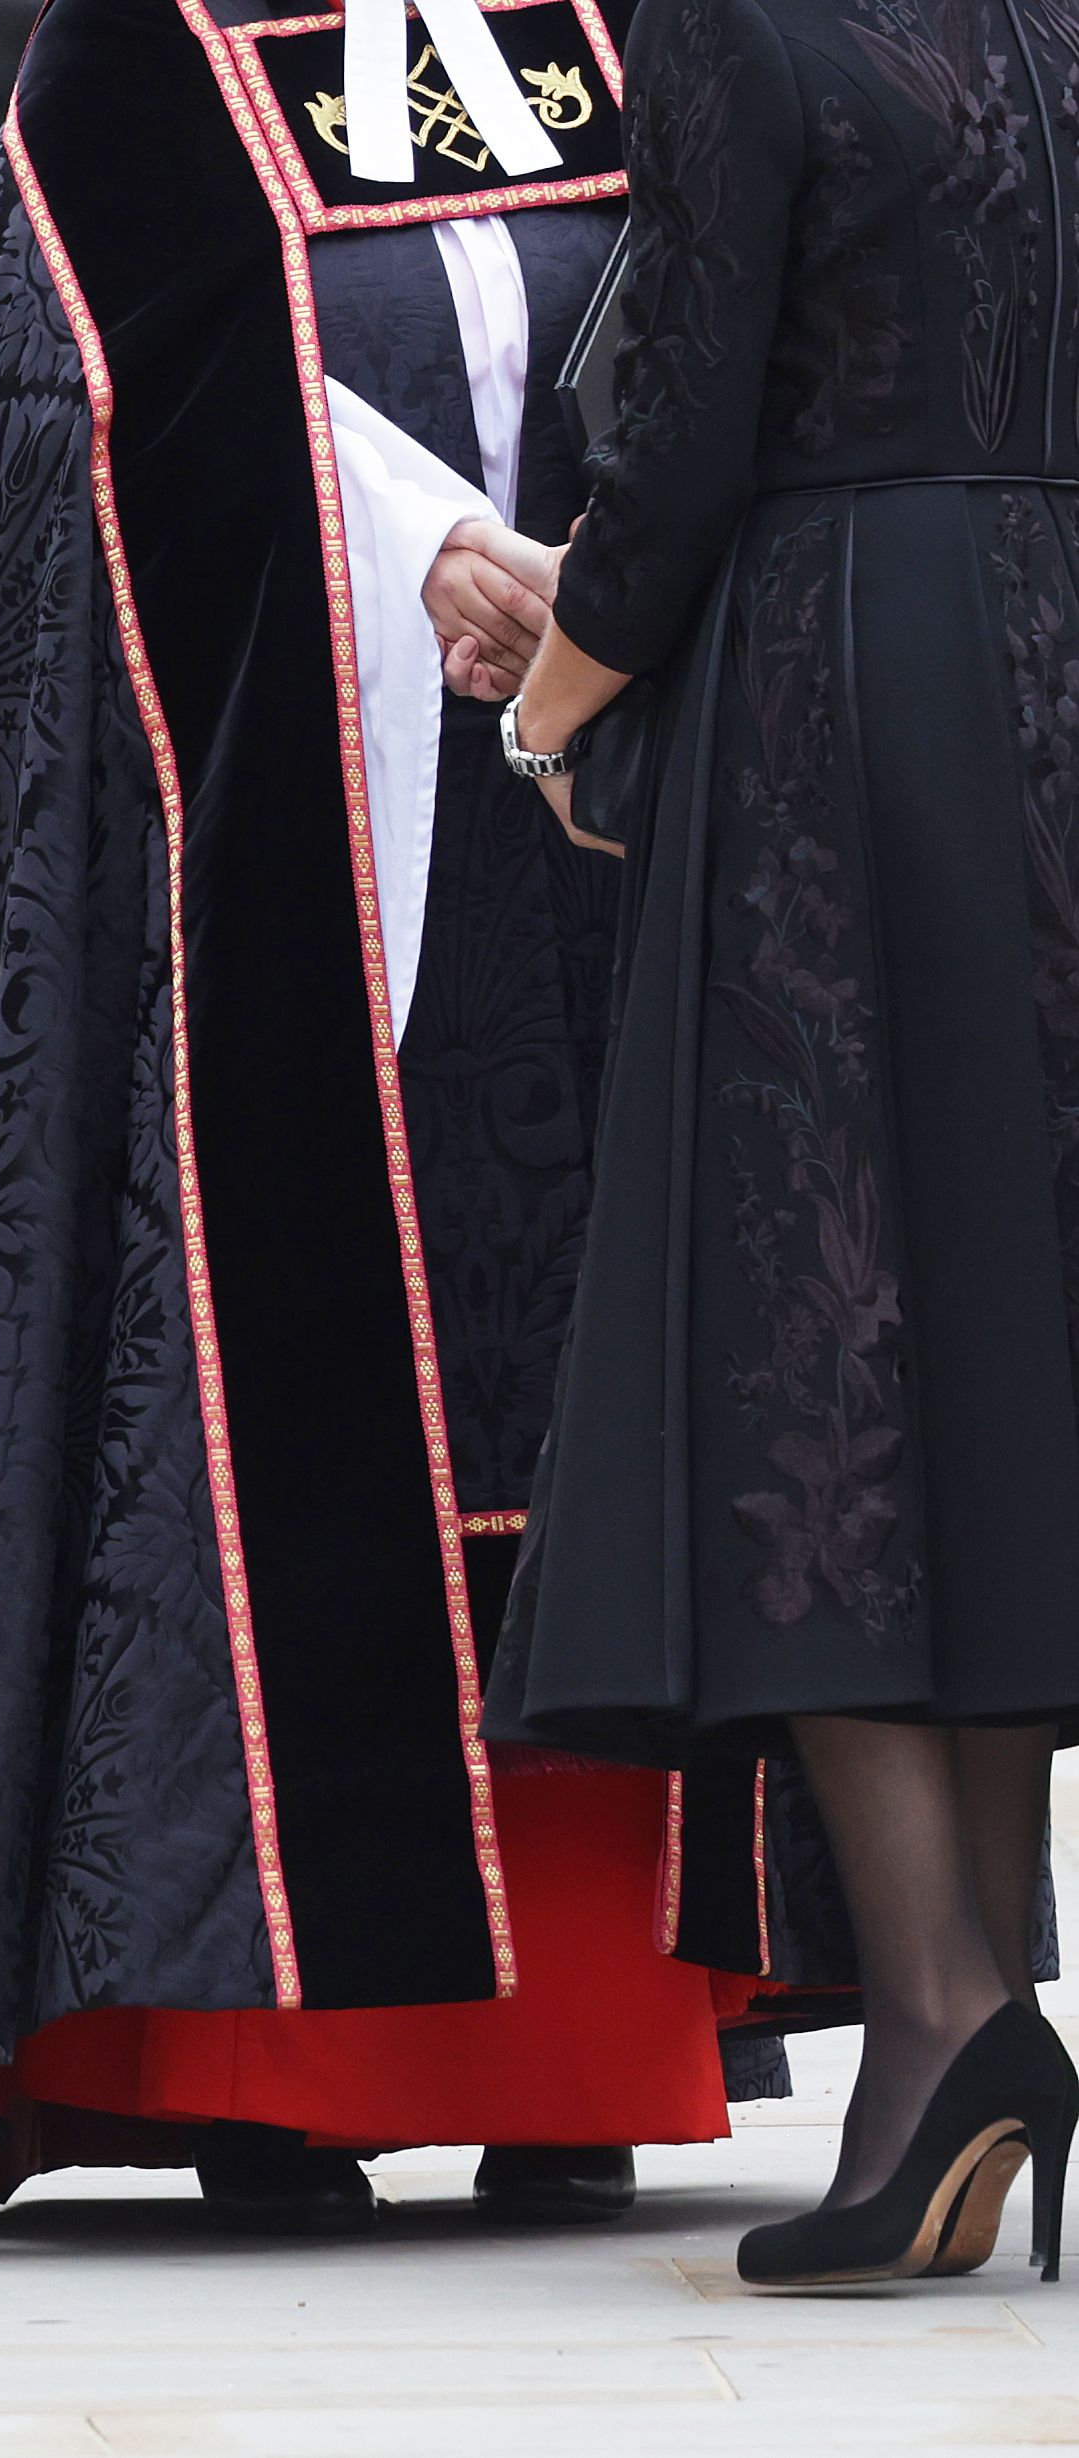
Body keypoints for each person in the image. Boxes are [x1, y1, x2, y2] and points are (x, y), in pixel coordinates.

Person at [0, 0, 820, 2231]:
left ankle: (580, 2046)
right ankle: (262, 2059)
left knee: (581, 1400)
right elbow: (51, 439)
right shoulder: (141, 68)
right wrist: (425, 552)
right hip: (273, 860)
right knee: (293, 1400)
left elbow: (733, 332)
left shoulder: (605, 31)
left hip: (591, 851)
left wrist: (609, 593)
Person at [485, 0, 1079, 2290]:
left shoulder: (741, 25)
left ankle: (944, 2008)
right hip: (1047, 654)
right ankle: (967, 2005)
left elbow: (689, 432)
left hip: (846, 674)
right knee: (1000, 1315)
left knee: (811, 1325)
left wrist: (556, 699)